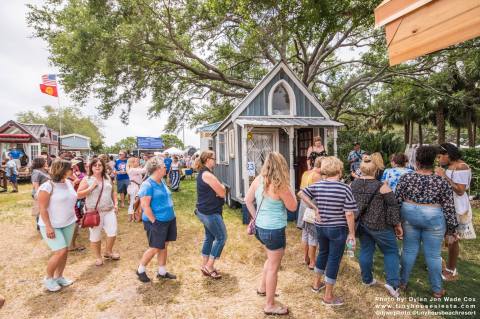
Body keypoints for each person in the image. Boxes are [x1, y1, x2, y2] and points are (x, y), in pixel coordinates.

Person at [395, 145, 458, 297]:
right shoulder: (441, 182)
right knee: (433, 255)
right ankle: (437, 290)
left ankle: (402, 282)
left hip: (410, 217)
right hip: (434, 219)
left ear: (416, 161)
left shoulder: (406, 177)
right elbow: (449, 207)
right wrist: (451, 230)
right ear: (433, 161)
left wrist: (396, 222)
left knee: (409, 250)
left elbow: (397, 200)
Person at [298, 156, 357, 306]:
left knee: (323, 253)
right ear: (339, 170)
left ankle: (316, 284)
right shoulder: (345, 188)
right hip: (337, 228)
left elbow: (301, 193)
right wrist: (352, 233)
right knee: (333, 259)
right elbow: (349, 213)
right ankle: (328, 296)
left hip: (321, 227)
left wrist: (314, 207)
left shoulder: (318, 185)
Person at [245, 152, 297, 316]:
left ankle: (262, 288)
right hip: (274, 230)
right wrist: (291, 189)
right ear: (282, 165)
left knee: (270, 259)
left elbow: (247, 200)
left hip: (261, 229)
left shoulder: (259, 180)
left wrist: (255, 217)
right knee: (274, 266)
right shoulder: (280, 185)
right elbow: (293, 207)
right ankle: (269, 305)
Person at [351, 156, 403, 297]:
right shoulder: (382, 187)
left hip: (361, 224)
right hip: (380, 225)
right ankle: (392, 284)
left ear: (361, 169)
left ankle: (366, 279)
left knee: (366, 250)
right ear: (376, 170)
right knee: (391, 251)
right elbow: (393, 206)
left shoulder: (353, 184)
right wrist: (397, 225)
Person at [436, 143, 475, 281]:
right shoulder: (450, 167)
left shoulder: (461, 167)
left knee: (453, 238)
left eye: (440, 156)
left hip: (457, 207)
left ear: (448, 155)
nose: (438, 159)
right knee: (445, 236)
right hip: (447, 205)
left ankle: (451, 269)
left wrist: (444, 177)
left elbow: (460, 190)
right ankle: (439, 263)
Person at [37, 159, 77, 292]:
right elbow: (42, 208)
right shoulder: (47, 186)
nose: (73, 170)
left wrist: (90, 188)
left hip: (68, 222)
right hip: (51, 225)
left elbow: (75, 196)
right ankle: (48, 278)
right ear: (62, 170)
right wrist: (48, 226)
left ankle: (59, 276)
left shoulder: (68, 183)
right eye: (71, 168)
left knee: (65, 252)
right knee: (60, 251)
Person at [136, 157, 177, 282]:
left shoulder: (161, 181)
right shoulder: (147, 184)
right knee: (155, 247)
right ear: (157, 169)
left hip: (168, 220)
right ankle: (140, 270)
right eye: (164, 166)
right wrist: (154, 221)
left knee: (164, 245)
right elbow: (145, 206)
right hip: (156, 221)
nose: (166, 168)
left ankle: (162, 272)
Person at [77, 158, 119, 266]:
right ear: (91, 167)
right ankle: (98, 257)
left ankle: (108, 252)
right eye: (95, 165)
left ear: (103, 167)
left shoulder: (107, 177)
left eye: (100, 165)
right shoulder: (87, 179)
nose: (97, 167)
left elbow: (113, 192)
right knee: (95, 235)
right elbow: (79, 194)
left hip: (109, 210)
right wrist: (91, 187)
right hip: (94, 212)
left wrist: (116, 204)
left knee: (112, 232)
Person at [194, 151, 226, 279]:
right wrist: (222, 187)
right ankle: (209, 266)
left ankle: (204, 265)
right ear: (207, 159)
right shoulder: (207, 174)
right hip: (210, 212)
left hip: (205, 211)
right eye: (214, 158)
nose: (216, 161)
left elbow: (219, 191)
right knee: (221, 237)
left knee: (209, 237)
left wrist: (220, 189)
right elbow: (222, 192)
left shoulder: (205, 173)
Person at [298, 156, 323, 270]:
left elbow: (301, 189)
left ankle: (305, 258)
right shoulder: (317, 176)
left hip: (303, 205)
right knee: (313, 235)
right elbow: (320, 193)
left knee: (305, 233)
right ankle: (313, 262)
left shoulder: (306, 173)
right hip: (312, 206)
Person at [68, 158, 87, 252]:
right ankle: (71, 244)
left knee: (76, 220)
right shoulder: (68, 175)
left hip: (76, 199)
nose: (73, 167)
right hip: (71, 200)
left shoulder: (79, 174)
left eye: (75, 165)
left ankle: (71, 243)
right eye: (72, 165)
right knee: (75, 221)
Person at [31, 157, 50, 228]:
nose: (46, 162)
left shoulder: (43, 170)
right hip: (40, 193)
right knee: (40, 209)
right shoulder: (36, 172)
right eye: (44, 161)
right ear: (40, 162)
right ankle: (39, 225)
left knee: (44, 208)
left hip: (45, 192)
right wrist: (38, 194)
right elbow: (35, 184)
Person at [127, 157, 146, 222]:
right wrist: (148, 163)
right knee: (133, 202)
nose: (138, 163)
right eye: (136, 162)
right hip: (134, 187)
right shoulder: (132, 170)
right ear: (132, 163)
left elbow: (141, 176)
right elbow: (144, 170)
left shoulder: (135, 169)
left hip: (137, 186)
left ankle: (135, 216)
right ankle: (130, 217)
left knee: (136, 202)